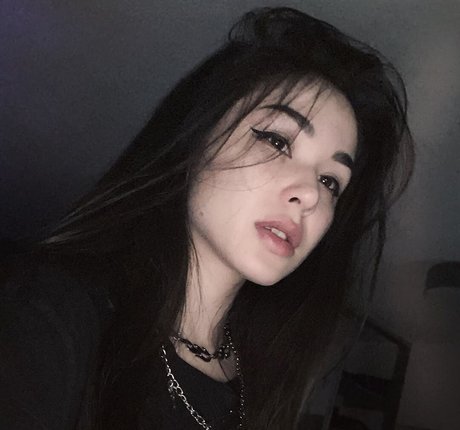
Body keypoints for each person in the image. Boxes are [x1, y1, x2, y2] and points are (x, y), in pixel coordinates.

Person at [0, 6, 414, 430]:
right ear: (196, 138)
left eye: (330, 181)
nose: (310, 194)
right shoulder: (51, 315)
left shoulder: (266, 379)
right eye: (276, 140)